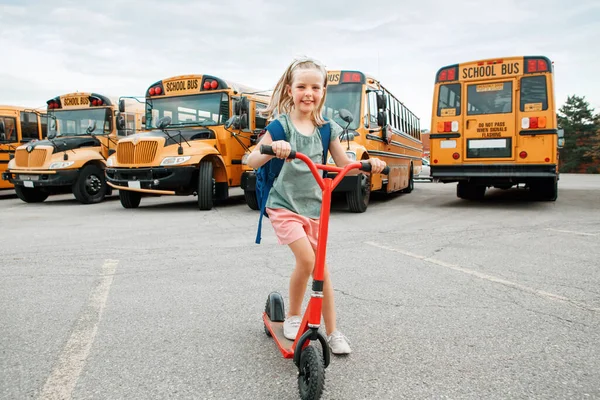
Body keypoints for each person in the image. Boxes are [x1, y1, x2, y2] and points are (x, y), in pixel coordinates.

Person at [246, 57, 386, 355]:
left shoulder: (327, 129)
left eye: (315, 87)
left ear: (323, 91)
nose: (308, 93)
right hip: (284, 206)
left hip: (315, 208)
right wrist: (274, 150)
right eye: (301, 86)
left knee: (322, 270)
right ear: (289, 89)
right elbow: (252, 159)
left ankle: (333, 331)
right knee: (308, 262)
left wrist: (369, 164)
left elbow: (344, 165)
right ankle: (295, 315)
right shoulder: (280, 126)